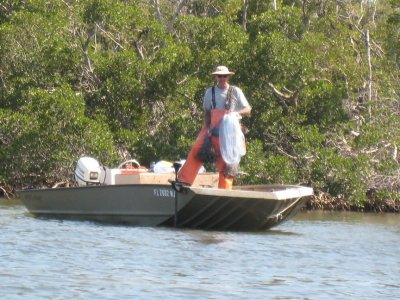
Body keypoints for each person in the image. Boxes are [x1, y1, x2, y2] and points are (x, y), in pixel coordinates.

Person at [178, 65, 251, 190]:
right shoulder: (209, 92)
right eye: (219, 76)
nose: (222, 78)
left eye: (224, 76)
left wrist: (235, 113)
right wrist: (205, 129)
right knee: (196, 149)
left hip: (229, 134)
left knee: (226, 162)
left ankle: (224, 191)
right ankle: (183, 182)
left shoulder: (235, 91)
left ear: (228, 77)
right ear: (215, 77)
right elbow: (207, 112)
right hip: (212, 129)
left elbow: (248, 109)